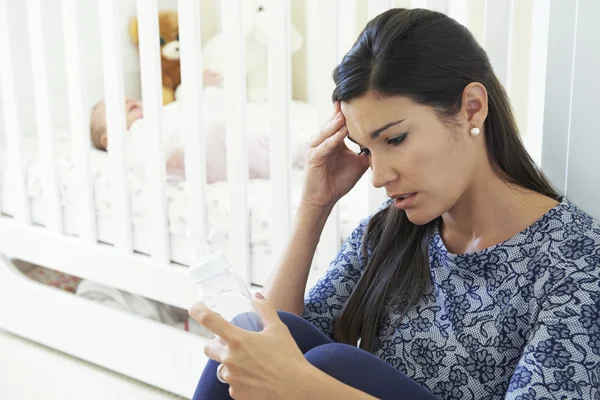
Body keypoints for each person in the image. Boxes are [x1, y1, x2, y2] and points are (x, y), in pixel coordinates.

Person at [187, 8, 600, 400]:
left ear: (472, 108)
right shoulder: (391, 231)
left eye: (396, 139)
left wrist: (306, 387)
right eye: (366, 149)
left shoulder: (578, 261)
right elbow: (273, 342)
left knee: (332, 363)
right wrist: (315, 205)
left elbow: (293, 376)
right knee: (260, 343)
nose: (379, 176)